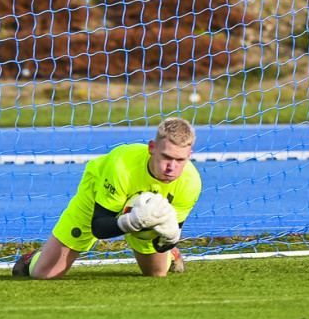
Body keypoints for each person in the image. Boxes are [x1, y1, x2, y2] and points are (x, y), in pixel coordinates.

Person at [12, 117, 201, 280]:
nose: (172, 167)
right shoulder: (121, 167)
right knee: (45, 274)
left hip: (143, 218)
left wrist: (169, 239)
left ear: (189, 155)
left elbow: (164, 241)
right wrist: (133, 221)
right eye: (166, 157)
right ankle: (34, 257)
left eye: (180, 160)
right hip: (97, 196)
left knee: (157, 274)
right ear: (152, 148)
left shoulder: (190, 183)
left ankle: (172, 256)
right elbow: (100, 227)